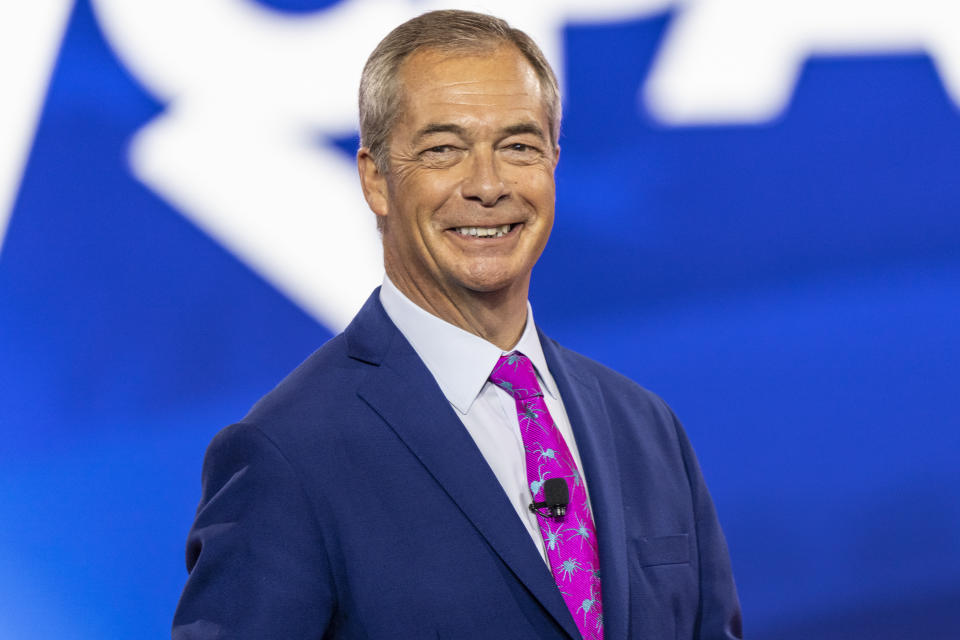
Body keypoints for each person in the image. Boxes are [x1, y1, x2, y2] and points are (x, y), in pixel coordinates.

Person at [172, 10, 742, 640]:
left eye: (518, 146)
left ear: (553, 163)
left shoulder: (647, 428)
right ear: (375, 179)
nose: (488, 185)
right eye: (444, 149)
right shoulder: (287, 455)